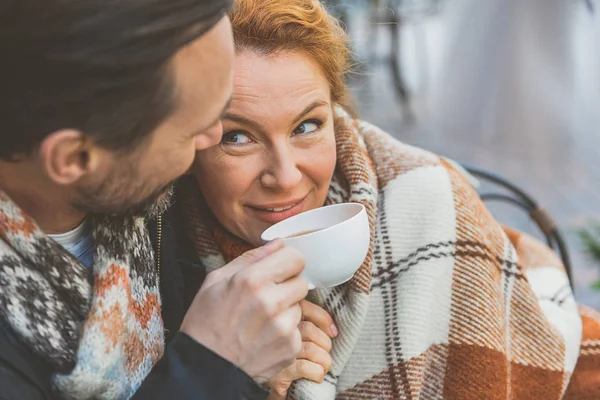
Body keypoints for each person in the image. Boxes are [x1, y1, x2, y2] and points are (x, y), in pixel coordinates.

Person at [174, 0, 600, 398]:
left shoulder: (430, 204)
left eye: (307, 126)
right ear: (186, 142)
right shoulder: (162, 254)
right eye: (237, 137)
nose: (285, 177)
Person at [0, 0, 330, 399]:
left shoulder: (148, 195)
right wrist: (215, 368)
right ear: (75, 159)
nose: (210, 142)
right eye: (193, 131)